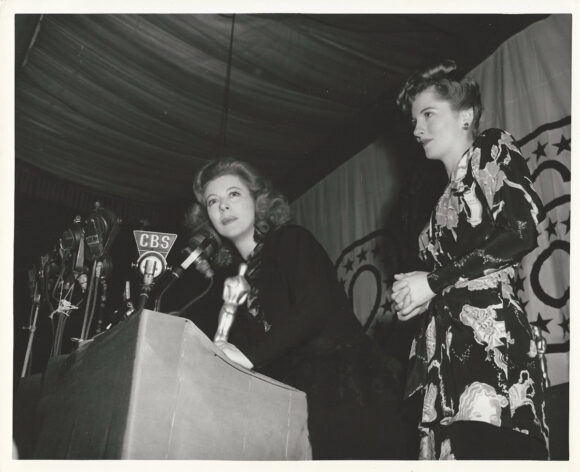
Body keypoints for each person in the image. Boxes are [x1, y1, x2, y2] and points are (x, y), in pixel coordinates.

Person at [189, 158, 412, 459]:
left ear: (258, 199)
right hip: (291, 409)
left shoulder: (290, 240)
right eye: (213, 201)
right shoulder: (230, 285)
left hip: (344, 391)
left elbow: (316, 307)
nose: (223, 206)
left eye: (234, 194)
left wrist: (248, 357)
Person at [391, 60, 550, 459]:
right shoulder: (437, 205)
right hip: (445, 365)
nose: (417, 130)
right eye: (413, 120)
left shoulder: (489, 147)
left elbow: (520, 229)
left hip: (489, 349)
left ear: (466, 115)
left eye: (428, 115)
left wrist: (431, 282)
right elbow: (447, 278)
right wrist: (420, 296)